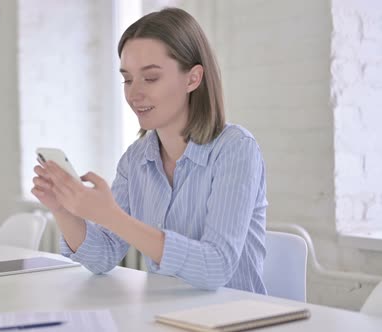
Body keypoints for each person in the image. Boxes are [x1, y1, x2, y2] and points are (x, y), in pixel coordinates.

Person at [31, 7, 267, 294]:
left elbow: (215, 267)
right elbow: (103, 256)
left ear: (193, 79)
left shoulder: (235, 150)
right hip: (165, 315)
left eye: (150, 78)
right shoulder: (136, 159)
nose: (134, 94)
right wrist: (64, 210)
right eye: (128, 79)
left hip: (236, 317)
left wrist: (112, 216)